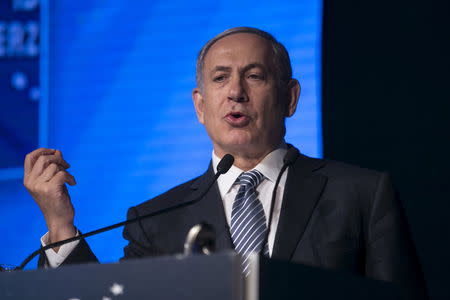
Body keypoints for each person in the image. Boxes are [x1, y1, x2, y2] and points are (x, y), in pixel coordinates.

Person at [24, 27, 427, 298]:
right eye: (219, 78)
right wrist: (60, 226)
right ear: (200, 106)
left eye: (254, 76)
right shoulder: (155, 219)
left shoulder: (361, 194)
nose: (235, 92)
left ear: (290, 98)